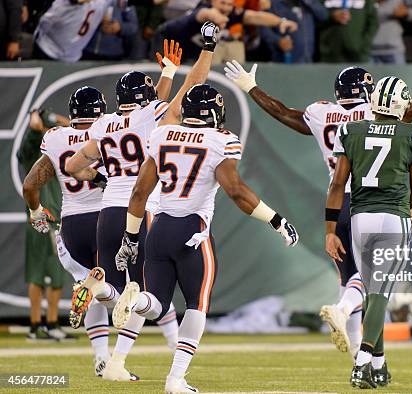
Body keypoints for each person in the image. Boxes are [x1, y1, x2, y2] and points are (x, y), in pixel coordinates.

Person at [223, 40, 412, 356]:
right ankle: (343, 311)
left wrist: (251, 87)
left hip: (335, 203)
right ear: (366, 91)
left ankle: (359, 356)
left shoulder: (320, 113)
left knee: (349, 279)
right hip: (368, 201)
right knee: (371, 278)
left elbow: (284, 114)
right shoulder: (374, 112)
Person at [110, 23, 298, 393]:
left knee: (157, 302)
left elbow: (138, 193)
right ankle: (175, 379)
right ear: (212, 112)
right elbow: (237, 192)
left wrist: (131, 239)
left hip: (159, 229)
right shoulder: (220, 139)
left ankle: (137, 300)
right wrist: (276, 219)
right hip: (193, 232)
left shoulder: (162, 133)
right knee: (196, 307)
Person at [65, 40, 183, 382]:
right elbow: (164, 106)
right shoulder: (151, 115)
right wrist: (177, 71)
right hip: (141, 206)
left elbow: (73, 165)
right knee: (146, 292)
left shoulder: (103, 125)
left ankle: (94, 287)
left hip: (108, 210)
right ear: (146, 98)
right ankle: (124, 360)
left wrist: (100, 175)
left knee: (113, 291)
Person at [324, 76, 412, 388]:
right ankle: (363, 361)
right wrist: (399, 206)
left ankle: (380, 366)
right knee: (382, 292)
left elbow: (338, 185)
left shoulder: (349, 131)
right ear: (399, 104)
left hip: (359, 217)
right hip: (393, 216)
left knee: (373, 292)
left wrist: (330, 230)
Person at [22, 86, 114, 375]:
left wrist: (36, 211)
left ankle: (101, 359)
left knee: (90, 283)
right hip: (105, 219)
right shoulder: (109, 130)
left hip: (71, 226)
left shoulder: (55, 138)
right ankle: (120, 361)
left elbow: (29, 185)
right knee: (129, 290)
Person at [17, 109, 73, 342]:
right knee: (43, 274)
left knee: (48, 273)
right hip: (44, 217)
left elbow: (74, 128)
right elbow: (33, 134)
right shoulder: (34, 150)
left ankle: (43, 325)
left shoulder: (56, 150)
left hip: (50, 217)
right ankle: (42, 324)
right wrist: (36, 120)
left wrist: (53, 118)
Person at [158, 0, 298, 62]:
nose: (226, 7)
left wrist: (281, 21)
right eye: (222, 3)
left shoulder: (230, 13)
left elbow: (255, 16)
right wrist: (219, 19)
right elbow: (209, 14)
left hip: (185, 55)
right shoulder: (203, 9)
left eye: (229, 4)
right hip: (162, 42)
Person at [33, 0, 116, 62]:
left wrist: (107, 15)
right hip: (48, 50)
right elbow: (44, 23)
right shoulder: (63, 4)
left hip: (71, 57)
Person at [259, 0, 329, 63]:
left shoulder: (307, 4)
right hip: (283, 58)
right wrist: (277, 40)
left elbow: (323, 16)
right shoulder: (273, 3)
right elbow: (263, 28)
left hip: (308, 57)